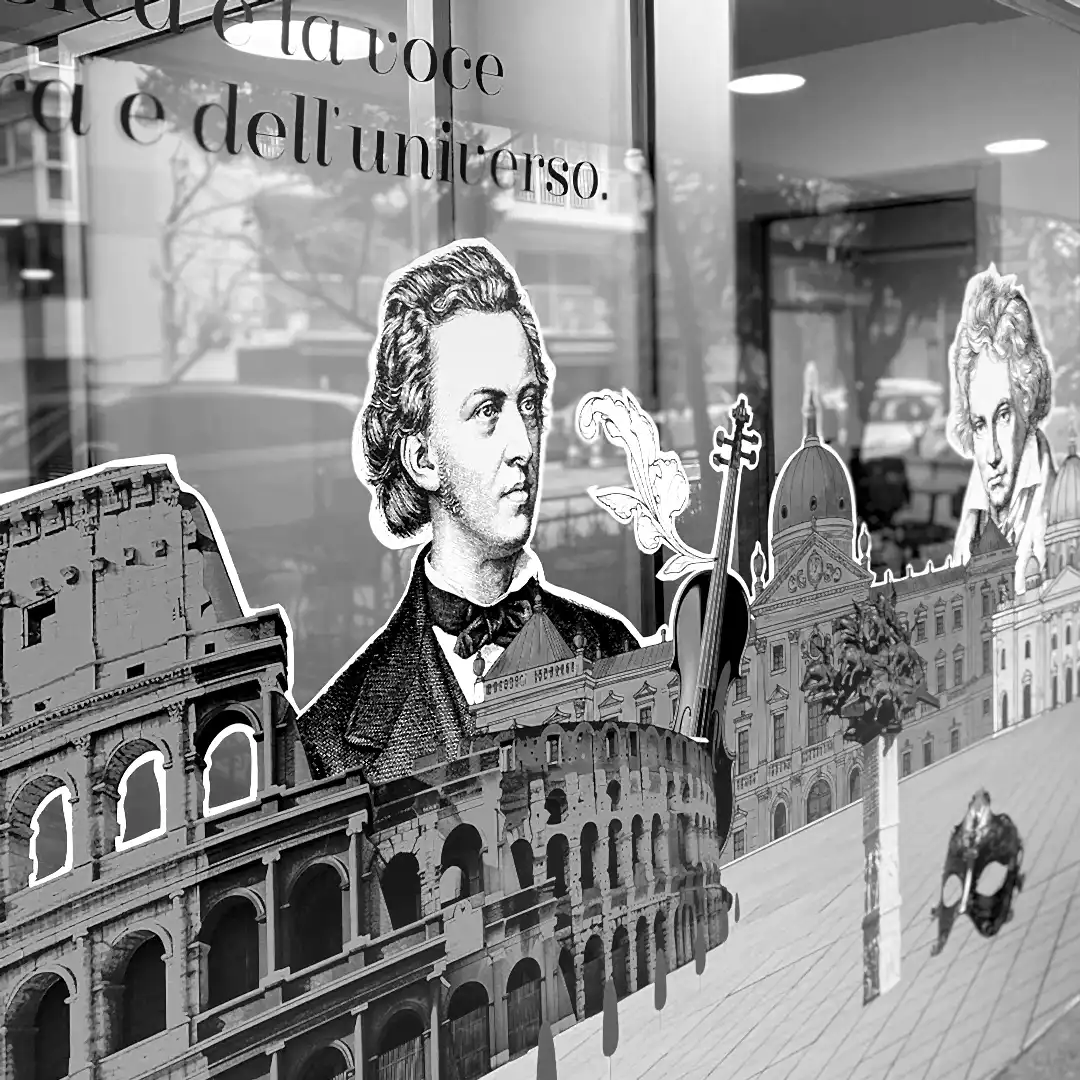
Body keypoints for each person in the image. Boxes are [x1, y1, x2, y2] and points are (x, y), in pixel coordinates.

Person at [298, 239, 641, 784]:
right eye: (486, 411)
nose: (522, 445)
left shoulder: (612, 651)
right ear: (422, 458)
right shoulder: (331, 740)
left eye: (528, 404)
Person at [948, 265, 1056, 593]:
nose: (992, 454)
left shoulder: (1056, 502)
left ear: (1027, 401)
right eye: (980, 424)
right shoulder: (976, 514)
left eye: (1003, 415)